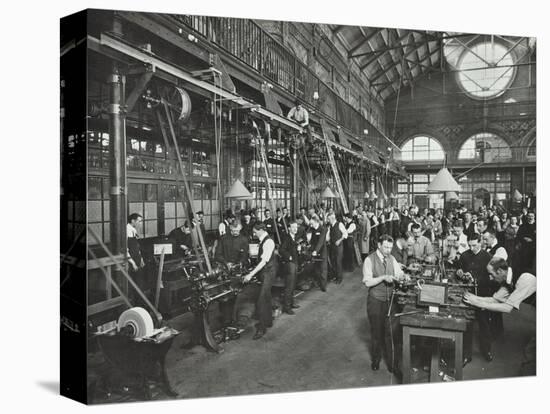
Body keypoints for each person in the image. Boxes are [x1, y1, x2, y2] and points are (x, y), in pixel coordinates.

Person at [463, 257, 536, 375]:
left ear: (500, 271)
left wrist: (478, 303)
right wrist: (472, 297)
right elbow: (495, 299)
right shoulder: (507, 279)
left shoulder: (525, 279)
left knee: (532, 353)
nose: (490, 278)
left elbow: (507, 308)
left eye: (491, 274)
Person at [363, 234, 407, 376]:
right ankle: (376, 360)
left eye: (390, 247)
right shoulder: (369, 260)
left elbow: (399, 272)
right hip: (375, 301)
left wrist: (403, 276)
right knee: (376, 333)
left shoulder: (392, 258)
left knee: (392, 333)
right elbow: (368, 282)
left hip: (390, 300)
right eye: (386, 247)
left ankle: (393, 365)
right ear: (379, 245)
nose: (388, 250)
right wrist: (383, 277)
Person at [456, 233, 495, 364]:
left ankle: (486, 350)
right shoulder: (464, 255)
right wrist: (460, 272)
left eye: (474, 245)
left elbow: (492, 278)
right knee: (467, 324)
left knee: (484, 323)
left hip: (482, 294)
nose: (472, 248)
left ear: (480, 242)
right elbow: (458, 268)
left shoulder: (488, 257)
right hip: (467, 293)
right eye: (470, 245)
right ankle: (466, 355)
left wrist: (476, 279)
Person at [243, 223, 278, 340]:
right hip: (265, 273)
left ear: (262, 230)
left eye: (255, 232)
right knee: (267, 296)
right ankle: (268, 321)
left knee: (261, 300)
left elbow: (263, 262)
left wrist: (250, 274)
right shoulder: (263, 240)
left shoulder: (268, 242)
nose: (254, 234)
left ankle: (261, 328)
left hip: (268, 273)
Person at [278, 221, 301, 315]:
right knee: (289, 286)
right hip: (290, 265)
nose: (295, 229)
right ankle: (286, 307)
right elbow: (281, 250)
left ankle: (291, 303)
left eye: (296, 227)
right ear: (289, 229)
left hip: (295, 263)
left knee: (293, 284)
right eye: (293, 227)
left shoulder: (294, 237)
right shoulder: (287, 238)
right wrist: (289, 257)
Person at [127, 213, 146, 296]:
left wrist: (141, 259)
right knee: (132, 284)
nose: (140, 223)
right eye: (139, 221)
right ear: (132, 221)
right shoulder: (126, 230)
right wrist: (133, 263)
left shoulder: (133, 230)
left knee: (140, 282)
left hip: (137, 259)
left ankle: (140, 302)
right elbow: (125, 250)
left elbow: (137, 247)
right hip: (130, 261)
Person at [308, 215, 329, 292]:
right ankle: (318, 283)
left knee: (323, 270)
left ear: (316, 222)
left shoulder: (323, 229)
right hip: (315, 252)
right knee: (316, 269)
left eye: (312, 223)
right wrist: (309, 246)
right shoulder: (313, 230)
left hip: (322, 252)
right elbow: (313, 241)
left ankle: (323, 286)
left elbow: (320, 242)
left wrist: (315, 251)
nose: (311, 225)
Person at [327, 212, 348, 284]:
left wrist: (339, 240)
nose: (328, 220)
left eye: (329, 219)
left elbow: (345, 234)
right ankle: (335, 276)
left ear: (332, 218)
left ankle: (339, 278)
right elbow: (328, 236)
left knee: (338, 262)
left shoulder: (340, 224)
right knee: (333, 262)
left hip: (339, 246)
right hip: (332, 246)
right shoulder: (330, 226)